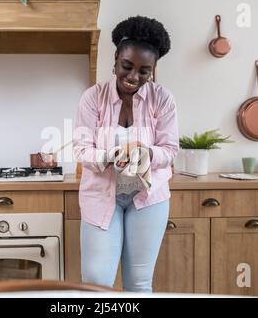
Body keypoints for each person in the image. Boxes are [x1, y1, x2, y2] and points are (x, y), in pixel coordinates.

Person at [73, 15, 179, 293]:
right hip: (101, 195)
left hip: (148, 198)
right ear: (116, 60)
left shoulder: (163, 99)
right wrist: (109, 156)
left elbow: (169, 150)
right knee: (97, 284)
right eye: (127, 66)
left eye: (144, 71)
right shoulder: (93, 98)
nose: (133, 77)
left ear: (153, 71)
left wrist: (144, 153)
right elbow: (81, 149)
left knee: (139, 284)